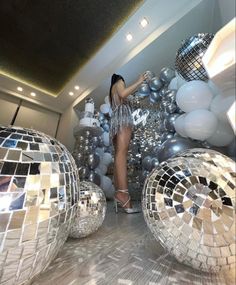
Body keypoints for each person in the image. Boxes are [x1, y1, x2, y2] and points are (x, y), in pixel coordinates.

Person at [109, 72, 148, 213]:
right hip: (122, 118)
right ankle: (123, 194)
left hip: (116, 120)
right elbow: (124, 94)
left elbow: (124, 96)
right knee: (121, 154)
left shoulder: (112, 92)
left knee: (118, 155)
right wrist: (139, 81)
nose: (123, 84)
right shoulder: (119, 82)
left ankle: (120, 193)